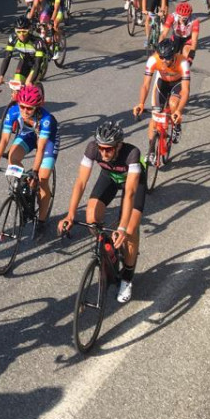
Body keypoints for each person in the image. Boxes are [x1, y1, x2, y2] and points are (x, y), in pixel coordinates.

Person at [58, 120, 145, 304]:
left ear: (119, 146)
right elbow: (81, 182)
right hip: (110, 177)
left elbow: (129, 193)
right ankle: (110, 254)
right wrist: (70, 214)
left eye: (109, 149)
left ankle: (127, 277)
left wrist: (122, 227)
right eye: (101, 148)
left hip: (134, 183)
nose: (104, 153)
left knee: (129, 230)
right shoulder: (92, 149)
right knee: (91, 218)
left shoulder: (132, 154)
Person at [0, 83, 60, 236]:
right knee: (12, 159)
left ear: (37, 107)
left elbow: (41, 148)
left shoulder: (46, 119)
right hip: (27, 135)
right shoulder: (13, 111)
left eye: (29, 108)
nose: (25, 111)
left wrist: (35, 172)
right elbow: (4, 140)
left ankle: (42, 220)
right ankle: (26, 185)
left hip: (47, 141)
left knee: (43, 178)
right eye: (22, 107)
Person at [133, 39, 190, 163]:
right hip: (162, 83)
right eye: (161, 57)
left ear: (174, 55)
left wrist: (179, 111)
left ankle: (177, 125)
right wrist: (141, 103)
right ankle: (151, 150)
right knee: (155, 115)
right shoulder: (153, 60)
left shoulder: (183, 62)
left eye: (167, 57)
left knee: (173, 104)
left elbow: (185, 90)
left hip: (177, 83)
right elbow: (146, 85)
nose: (164, 60)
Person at [0, 16, 46, 91]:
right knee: (16, 86)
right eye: (18, 31)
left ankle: (35, 99)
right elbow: (7, 58)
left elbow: (37, 63)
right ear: (15, 31)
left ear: (29, 30)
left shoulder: (37, 41)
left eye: (24, 31)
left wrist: (31, 81)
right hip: (24, 60)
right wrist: (1, 76)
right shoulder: (13, 39)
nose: (21, 35)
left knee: (28, 83)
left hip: (37, 62)